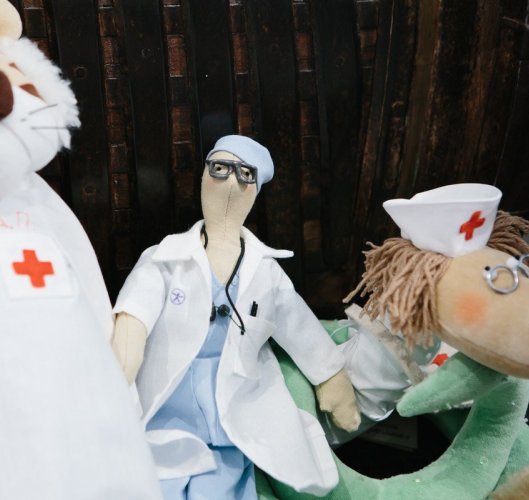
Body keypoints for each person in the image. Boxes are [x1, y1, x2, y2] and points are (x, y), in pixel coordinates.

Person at [112, 135, 360, 499]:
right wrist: (123, 362)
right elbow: (134, 313)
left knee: (222, 484)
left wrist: (331, 377)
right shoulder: (164, 259)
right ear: (204, 176)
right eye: (220, 168)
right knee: (151, 477)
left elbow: (301, 329)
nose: (231, 180)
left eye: (245, 174)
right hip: (168, 403)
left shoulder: (267, 271)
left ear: (254, 190)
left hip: (231, 406)